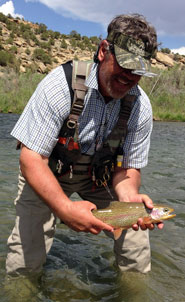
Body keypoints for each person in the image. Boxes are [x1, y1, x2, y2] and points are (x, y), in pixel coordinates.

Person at [6, 13, 163, 276]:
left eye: (138, 70)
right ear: (103, 51)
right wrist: (65, 209)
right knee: (25, 259)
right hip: (48, 173)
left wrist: (129, 197)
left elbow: (128, 170)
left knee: (135, 238)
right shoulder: (60, 85)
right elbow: (31, 159)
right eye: (124, 65)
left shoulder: (140, 105)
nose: (129, 77)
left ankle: (134, 290)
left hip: (100, 179)